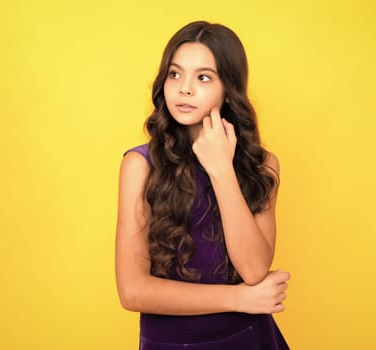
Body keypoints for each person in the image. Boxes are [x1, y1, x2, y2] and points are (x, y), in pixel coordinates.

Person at [115, 20, 291, 349]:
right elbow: (133, 291)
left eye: (204, 77)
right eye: (175, 74)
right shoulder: (140, 166)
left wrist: (221, 168)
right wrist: (240, 299)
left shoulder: (262, 165)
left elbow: (254, 269)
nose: (184, 88)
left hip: (250, 339)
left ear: (228, 89)